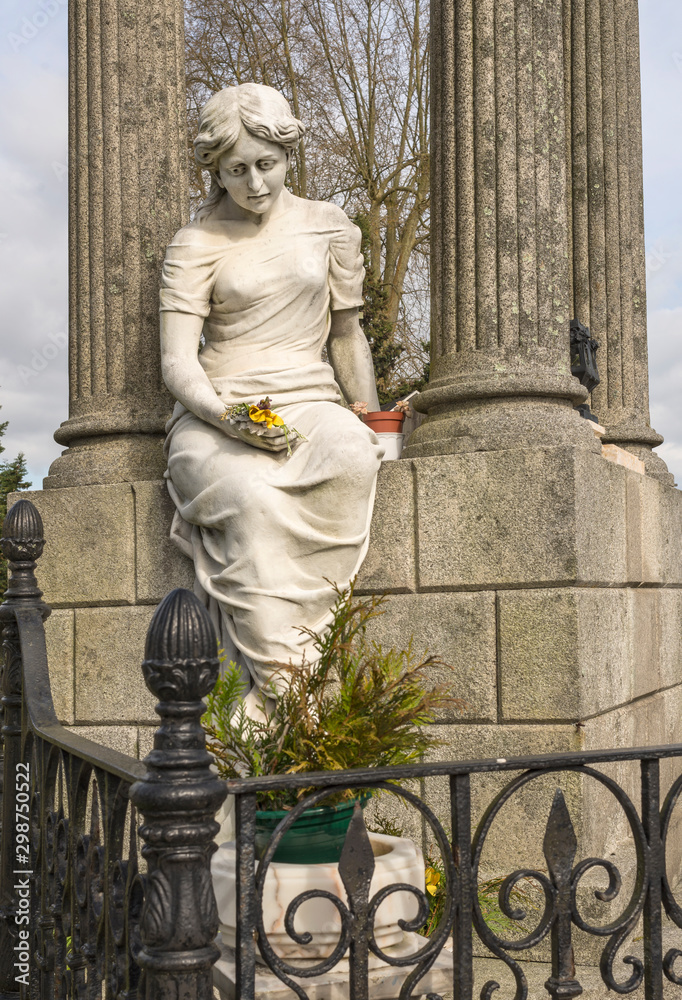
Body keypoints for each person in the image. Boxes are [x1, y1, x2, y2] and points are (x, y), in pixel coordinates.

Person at [160, 83, 383, 711]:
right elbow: (177, 360)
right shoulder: (196, 242)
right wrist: (225, 418)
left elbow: (347, 334)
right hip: (217, 409)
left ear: (290, 155)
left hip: (310, 400)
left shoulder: (328, 226)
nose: (255, 184)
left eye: (267, 165)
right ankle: (292, 695)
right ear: (216, 169)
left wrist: (369, 417)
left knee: (351, 453)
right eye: (237, 170)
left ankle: (281, 705)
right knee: (248, 498)